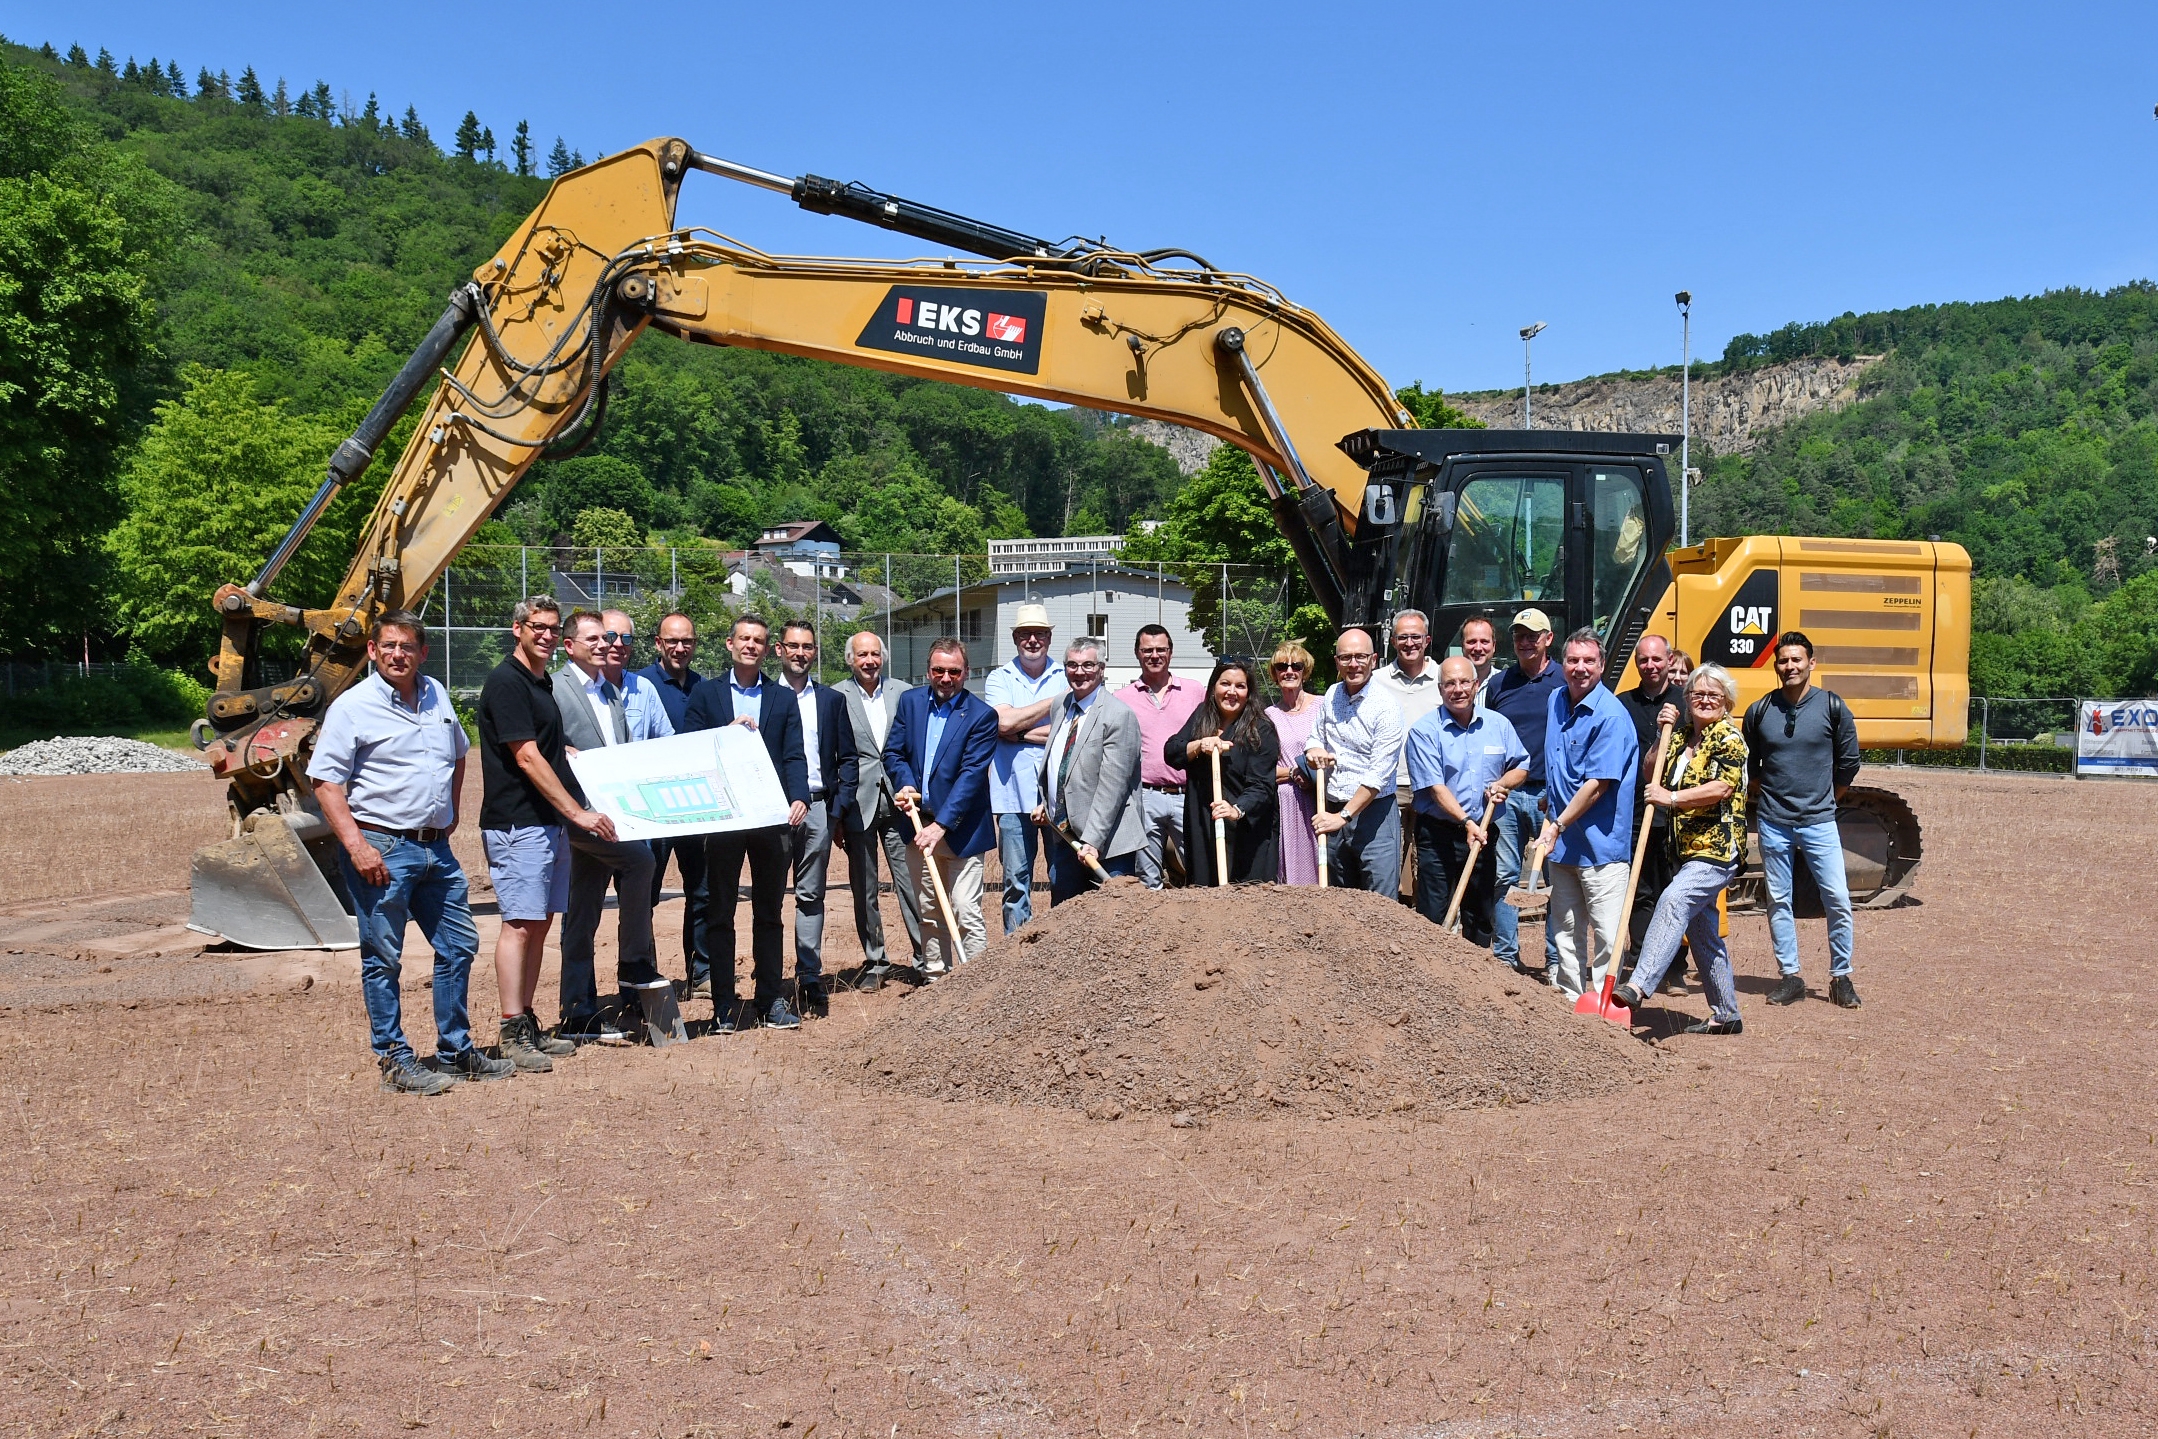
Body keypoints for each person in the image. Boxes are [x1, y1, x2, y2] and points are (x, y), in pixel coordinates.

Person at [308, 609, 509, 1093]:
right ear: (373, 651)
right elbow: (326, 782)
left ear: (422, 652)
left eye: (408, 647)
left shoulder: (436, 694)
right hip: (381, 847)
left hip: (435, 849)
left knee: (459, 945)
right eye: (389, 646)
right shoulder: (352, 708)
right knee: (383, 958)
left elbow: (460, 752)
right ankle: (394, 1060)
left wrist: (452, 808)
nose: (399, 654)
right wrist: (356, 845)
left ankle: (455, 1050)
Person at [475, 595, 607, 1072]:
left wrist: (569, 753)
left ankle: (527, 1020)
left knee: (540, 922)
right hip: (519, 822)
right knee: (519, 924)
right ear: (517, 628)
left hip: (544, 824)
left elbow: (544, 746)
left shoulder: (539, 680)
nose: (547, 635)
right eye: (538, 627)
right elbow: (525, 755)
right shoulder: (507, 682)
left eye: (553, 628)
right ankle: (512, 1028)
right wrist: (578, 812)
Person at [683, 615, 810, 1031]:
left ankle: (769, 999)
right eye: (744, 639)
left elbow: (794, 754)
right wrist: (726, 732)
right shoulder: (706, 694)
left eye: (759, 640)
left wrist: (799, 797)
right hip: (724, 817)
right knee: (719, 911)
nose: (751, 645)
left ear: (767, 648)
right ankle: (723, 1003)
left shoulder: (782, 698)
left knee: (769, 912)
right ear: (729, 644)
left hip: (770, 818)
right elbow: (692, 749)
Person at [550, 610, 668, 1040]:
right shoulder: (555, 687)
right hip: (578, 814)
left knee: (580, 916)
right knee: (640, 863)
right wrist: (562, 752)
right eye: (594, 639)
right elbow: (543, 745)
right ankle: (635, 962)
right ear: (570, 646)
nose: (604, 645)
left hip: (613, 815)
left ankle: (578, 1012)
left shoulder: (611, 692)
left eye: (610, 638)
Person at [1614, 664, 1750, 1033]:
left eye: (1713, 695)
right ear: (1687, 699)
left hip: (1716, 849)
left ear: (1727, 702)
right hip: (1685, 851)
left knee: (1673, 901)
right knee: (1704, 933)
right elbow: (1649, 771)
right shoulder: (1683, 735)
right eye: (1697, 694)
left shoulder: (1728, 738)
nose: (1705, 700)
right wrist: (1662, 733)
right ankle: (1726, 1014)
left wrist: (1670, 798)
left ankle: (1640, 984)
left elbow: (1721, 787)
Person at [1744, 631, 1863, 1008]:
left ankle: (1840, 977)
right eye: (1783, 661)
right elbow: (1752, 766)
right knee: (1779, 900)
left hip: (1819, 822)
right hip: (1774, 822)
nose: (1789, 666)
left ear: (1811, 663)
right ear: (1775, 665)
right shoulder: (1760, 711)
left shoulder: (1832, 706)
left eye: (1797, 660)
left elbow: (1849, 763)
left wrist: (1826, 800)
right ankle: (1790, 976)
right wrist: (1768, 798)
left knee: (1838, 899)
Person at [1537, 628, 1640, 1000]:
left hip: (1600, 848)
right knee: (1564, 929)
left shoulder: (1611, 717)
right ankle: (1570, 1000)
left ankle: (1603, 1004)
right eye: (1573, 660)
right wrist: (1551, 802)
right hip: (1563, 846)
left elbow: (1597, 786)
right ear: (1562, 663)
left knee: (1608, 934)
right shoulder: (1555, 701)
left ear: (1602, 665)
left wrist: (1557, 825)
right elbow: (1558, 763)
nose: (1580, 668)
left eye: (1588, 661)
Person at [885, 638, 1000, 971]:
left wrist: (941, 826)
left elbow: (971, 777)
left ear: (965, 673)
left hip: (962, 830)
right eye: (939, 670)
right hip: (918, 825)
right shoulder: (910, 703)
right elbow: (893, 752)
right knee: (930, 908)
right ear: (928, 671)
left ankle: (976, 982)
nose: (946, 678)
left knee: (965, 909)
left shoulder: (981, 716)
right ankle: (936, 979)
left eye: (954, 671)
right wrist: (905, 781)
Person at [1403, 656, 1529, 946]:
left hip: (1484, 835)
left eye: (1463, 682)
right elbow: (1435, 788)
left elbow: (1521, 765)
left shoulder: (1498, 724)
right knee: (1433, 915)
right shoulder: (1424, 731)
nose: (1457, 689)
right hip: (1439, 835)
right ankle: (1434, 977)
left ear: (1476, 685)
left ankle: (1477, 981)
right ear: (1440, 689)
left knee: (1480, 913)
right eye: (1449, 683)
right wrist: (1466, 822)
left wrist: (1503, 783)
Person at [776, 621, 859, 1017]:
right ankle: (771, 977)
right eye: (792, 646)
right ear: (779, 650)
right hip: (774, 810)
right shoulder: (765, 697)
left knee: (811, 894)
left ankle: (809, 975)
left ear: (815, 653)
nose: (800, 653)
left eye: (807, 647)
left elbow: (847, 760)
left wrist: (837, 811)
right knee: (769, 895)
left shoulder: (830, 701)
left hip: (818, 807)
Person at [834, 631, 922, 991]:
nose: (869, 661)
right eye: (862, 655)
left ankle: (925, 957)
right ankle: (876, 960)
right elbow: (834, 754)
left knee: (912, 884)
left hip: (901, 803)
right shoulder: (836, 697)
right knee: (864, 887)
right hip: (858, 804)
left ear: (883, 657)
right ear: (850, 660)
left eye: (875, 654)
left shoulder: (904, 692)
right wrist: (838, 812)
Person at [1031, 637, 1145, 903]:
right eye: (1072, 665)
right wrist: (1045, 804)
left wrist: (1092, 841)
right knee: (1065, 920)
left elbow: (1112, 787)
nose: (1079, 672)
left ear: (1101, 669)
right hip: (1065, 837)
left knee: (1110, 925)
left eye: (1087, 665)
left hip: (1108, 845)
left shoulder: (1118, 715)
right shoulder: (1061, 705)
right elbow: (1059, 764)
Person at [1485, 608, 1565, 977]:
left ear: (1549, 638)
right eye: (1519, 634)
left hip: (1553, 796)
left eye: (1533, 634)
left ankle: (1555, 960)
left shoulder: (1564, 680)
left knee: (1556, 879)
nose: (1525, 641)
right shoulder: (1500, 684)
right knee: (1505, 875)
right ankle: (1505, 956)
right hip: (1509, 794)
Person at [637, 611, 711, 998]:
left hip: (695, 805)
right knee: (644, 893)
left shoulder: (704, 686)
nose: (680, 648)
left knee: (701, 890)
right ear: (658, 644)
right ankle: (644, 972)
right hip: (653, 807)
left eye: (687, 641)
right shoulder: (640, 685)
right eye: (672, 641)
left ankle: (700, 971)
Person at [1305, 627, 1407, 894]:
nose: (1354, 664)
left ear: (1373, 660)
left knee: (1379, 900)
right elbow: (1315, 738)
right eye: (1346, 657)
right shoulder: (1331, 695)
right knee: (1341, 900)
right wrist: (1314, 750)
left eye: (1360, 657)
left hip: (1374, 815)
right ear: (1337, 662)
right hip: (1333, 808)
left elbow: (1378, 774)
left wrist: (1344, 816)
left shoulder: (1385, 706)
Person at [983, 604, 1066, 932]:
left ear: (1049, 637)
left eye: (1040, 634)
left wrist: (1018, 732)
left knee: (1064, 879)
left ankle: (1063, 945)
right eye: (1025, 634)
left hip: (1060, 799)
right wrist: (1054, 704)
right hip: (1012, 796)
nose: (1033, 640)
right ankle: (1015, 952)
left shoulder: (1066, 674)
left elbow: (1071, 730)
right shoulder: (999, 677)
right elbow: (1002, 722)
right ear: (1015, 638)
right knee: (1016, 884)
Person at [1163, 657, 1280, 885]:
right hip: (1204, 824)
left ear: (1249, 691)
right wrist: (1198, 745)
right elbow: (1172, 752)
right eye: (1225, 684)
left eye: (1240, 686)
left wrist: (1237, 809)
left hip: (1245, 829)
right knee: (1206, 894)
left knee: (1244, 896)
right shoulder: (1201, 716)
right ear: (1214, 686)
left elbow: (1262, 785)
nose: (1231, 692)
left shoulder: (1261, 729)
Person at [1113, 625, 1205, 888]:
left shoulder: (1194, 691)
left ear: (1171, 653)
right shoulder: (1122, 698)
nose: (1154, 655)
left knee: (1198, 866)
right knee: (1147, 875)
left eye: (1160, 649)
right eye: (1147, 650)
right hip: (1145, 796)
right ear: (1137, 653)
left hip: (1187, 794)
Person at [1616, 634, 1685, 980]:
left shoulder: (1685, 702)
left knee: (1671, 891)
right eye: (1644, 660)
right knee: (1639, 890)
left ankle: (1673, 966)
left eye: (1657, 659)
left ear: (1669, 660)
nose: (1650, 666)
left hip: (1677, 813)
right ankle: (1642, 962)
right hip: (1635, 811)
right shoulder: (1622, 704)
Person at [1375, 609, 1443, 906]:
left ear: (1427, 640)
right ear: (1392, 641)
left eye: (1416, 637)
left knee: (1428, 866)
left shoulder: (1445, 678)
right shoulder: (1376, 681)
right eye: (1403, 637)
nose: (1410, 643)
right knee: (1390, 861)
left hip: (1434, 785)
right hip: (1392, 784)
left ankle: (1425, 931)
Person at [1264, 641, 1322, 884]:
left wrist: (1311, 776)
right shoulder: (1268, 715)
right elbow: (1263, 768)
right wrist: (1293, 771)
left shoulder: (1322, 706)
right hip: (1284, 803)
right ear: (1275, 674)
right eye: (1281, 666)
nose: (1289, 671)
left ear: (1304, 671)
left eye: (1295, 665)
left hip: (1317, 799)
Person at [1459, 615, 1500, 694]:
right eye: (1472, 642)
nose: (1478, 648)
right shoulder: (1448, 685)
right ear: (1462, 645)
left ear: (1494, 646)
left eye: (1484, 642)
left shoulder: (1506, 683)